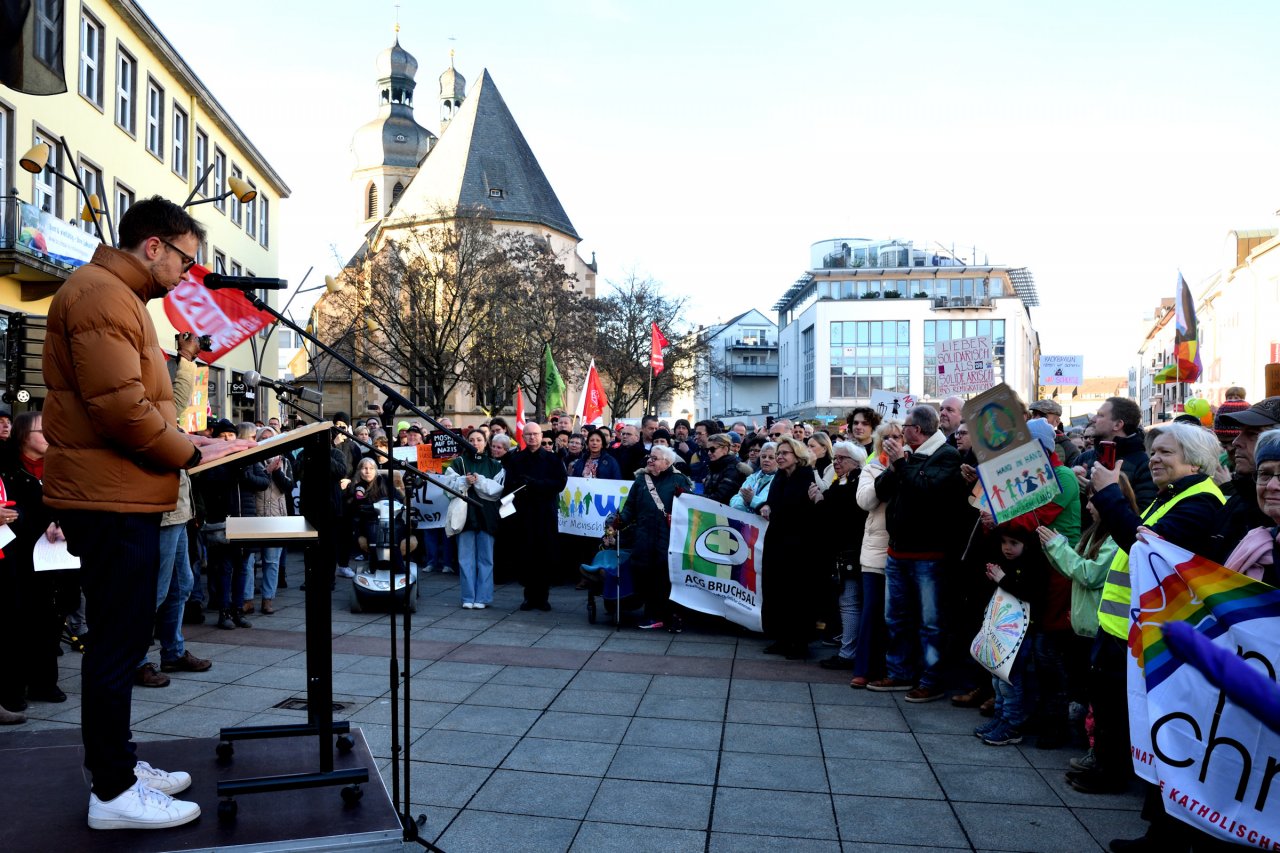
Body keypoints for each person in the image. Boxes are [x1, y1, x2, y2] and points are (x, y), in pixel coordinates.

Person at [43, 196, 251, 829]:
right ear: (154, 245)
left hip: (122, 491)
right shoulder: (102, 295)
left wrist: (193, 441)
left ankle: (121, 766)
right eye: (185, 260)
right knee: (118, 644)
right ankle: (112, 793)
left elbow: (136, 404)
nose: (187, 276)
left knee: (124, 639)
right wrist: (189, 451)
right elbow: (119, 409)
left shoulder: (118, 295)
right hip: (111, 498)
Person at [1078, 423, 1227, 852]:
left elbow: (1144, 548)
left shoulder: (1200, 502)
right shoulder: (1174, 495)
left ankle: (1164, 837)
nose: (1154, 459)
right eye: (1153, 452)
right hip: (1138, 631)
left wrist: (1109, 493)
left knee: (1167, 738)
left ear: (1194, 459)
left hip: (1165, 638)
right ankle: (1159, 833)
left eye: (1165, 452)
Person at [868, 404, 968, 702]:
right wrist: (894, 466)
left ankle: (931, 679)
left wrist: (902, 463)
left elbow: (926, 490)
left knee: (930, 623)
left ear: (918, 430)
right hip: (897, 552)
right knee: (896, 618)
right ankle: (899, 672)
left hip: (929, 555)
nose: (900, 434)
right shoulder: (907, 456)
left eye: (905, 428)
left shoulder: (946, 455)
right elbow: (882, 491)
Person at [1, 411, 76, 705]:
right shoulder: (7, 469)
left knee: (52, 620)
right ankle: (14, 687)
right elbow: (10, 511)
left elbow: (76, 502)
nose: (49, 435)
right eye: (42, 430)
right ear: (23, 435)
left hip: (56, 558)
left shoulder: (61, 466)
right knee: (18, 622)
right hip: (18, 557)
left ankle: (45, 683)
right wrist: (36, 523)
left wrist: (64, 524)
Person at [973, 525, 1047, 746]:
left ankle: (1012, 724)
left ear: (1026, 544)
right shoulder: (1009, 563)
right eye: (1004, 542)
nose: (1007, 547)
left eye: (1014, 543)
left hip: (1021, 634)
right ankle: (1000, 718)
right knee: (998, 678)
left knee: (1010, 681)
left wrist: (1002, 579)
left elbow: (1028, 591)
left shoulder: (1033, 563)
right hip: (1006, 632)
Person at [612, 445, 692, 631]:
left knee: (664, 576)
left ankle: (667, 616)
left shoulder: (678, 480)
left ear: (667, 462)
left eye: (654, 458)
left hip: (667, 538)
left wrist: (683, 497)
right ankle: (653, 614)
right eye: (649, 457)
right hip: (643, 536)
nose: (649, 460)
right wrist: (619, 522)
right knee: (644, 574)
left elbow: (688, 508)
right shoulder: (641, 480)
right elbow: (630, 507)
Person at [759, 436, 823, 659]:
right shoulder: (779, 476)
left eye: (784, 453)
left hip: (799, 543)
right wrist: (766, 505)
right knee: (777, 591)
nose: (779, 457)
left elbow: (804, 508)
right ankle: (782, 638)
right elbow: (772, 501)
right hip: (777, 540)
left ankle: (800, 642)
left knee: (798, 593)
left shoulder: (805, 476)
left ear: (797, 456)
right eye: (778, 453)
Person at [850, 420, 900, 688]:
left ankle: (893, 670)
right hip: (876, 552)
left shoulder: (913, 465)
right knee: (872, 612)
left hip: (903, 550)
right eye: (887, 437)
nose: (892, 441)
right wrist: (890, 471)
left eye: (897, 437)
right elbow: (866, 501)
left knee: (898, 615)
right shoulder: (872, 468)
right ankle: (865, 668)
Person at [504, 423, 568, 611]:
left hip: (545, 513)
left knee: (544, 554)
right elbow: (509, 484)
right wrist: (520, 485)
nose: (532, 437)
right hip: (524, 514)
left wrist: (536, 484)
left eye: (535, 434)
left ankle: (543, 597)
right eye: (528, 434)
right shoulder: (516, 460)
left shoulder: (553, 459)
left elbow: (560, 483)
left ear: (541, 436)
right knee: (526, 554)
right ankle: (529, 596)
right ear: (523, 437)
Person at [817, 441, 868, 670]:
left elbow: (840, 513)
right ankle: (848, 650)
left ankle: (848, 653)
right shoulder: (843, 482)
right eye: (834, 458)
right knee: (847, 603)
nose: (836, 463)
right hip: (844, 552)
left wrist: (821, 501)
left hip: (852, 552)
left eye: (841, 459)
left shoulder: (857, 483)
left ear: (856, 462)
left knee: (849, 603)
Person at [443, 430, 504, 609]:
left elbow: (497, 491)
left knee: (486, 559)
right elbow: (448, 488)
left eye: (479, 439)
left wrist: (478, 481)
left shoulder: (495, 465)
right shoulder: (458, 463)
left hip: (487, 516)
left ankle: (483, 598)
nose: (475, 443)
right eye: (471, 440)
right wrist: (464, 481)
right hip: (465, 517)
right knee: (465, 559)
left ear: (486, 443)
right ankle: (468, 597)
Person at [1073, 397, 1156, 510]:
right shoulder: (1084, 458)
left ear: (1117, 425)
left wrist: (1101, 491)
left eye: (1100, 415)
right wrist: (1071, 478)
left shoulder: (1144, 464)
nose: (1093, 419)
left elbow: (1143, 512)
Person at [250, 426, 294, 615]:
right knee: (249, 561)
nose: (267, 440)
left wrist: (276, 471)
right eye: (263, 438)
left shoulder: (285, 461)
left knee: (272, 561)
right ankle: (247, 598)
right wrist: (266, 471)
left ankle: (268, 598)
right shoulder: (251, 460)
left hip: (276, 516)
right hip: (255, 515)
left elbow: (288, 487)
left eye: (270, 437)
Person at [701, 433, 751, 504]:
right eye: (707, 450)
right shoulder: (715, 466)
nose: (709, 453)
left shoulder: (732, 469)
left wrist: (694, 497)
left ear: (725, 449)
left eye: (712, 449)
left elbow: (720, 498)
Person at [731, 442, 777, 513]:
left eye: (771, 457)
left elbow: (773, 507)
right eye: (763, 457)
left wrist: (752, 500)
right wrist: (744, 503)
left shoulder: (781, 481)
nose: (766, 460)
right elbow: (735, 499)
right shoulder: (753, 477)